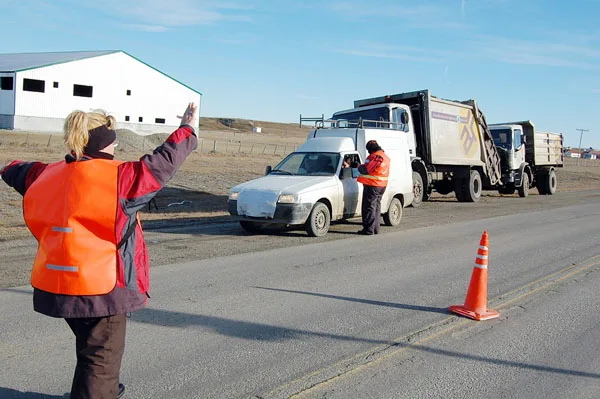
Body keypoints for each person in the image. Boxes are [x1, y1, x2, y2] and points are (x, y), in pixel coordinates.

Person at [0, 102, 199, 398]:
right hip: (100, 290)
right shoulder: (119, 178)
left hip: (57, 285)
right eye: (114, 142)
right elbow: (162, 163)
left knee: (92, 355)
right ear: (103, 144)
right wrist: (187, 129)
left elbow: (12, 169)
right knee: (100, 362)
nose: (117, 148)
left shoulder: (44, 174)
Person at [356, 140, 390, 235]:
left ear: (370, 148)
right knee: (376, 207)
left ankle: (369, 230)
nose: (368, 152)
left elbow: (366, 170)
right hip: (381, 185)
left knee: (369, 208)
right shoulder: (384, 156)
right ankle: (375, 229)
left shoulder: (375, 156)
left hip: (373, 185)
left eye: (368, 150)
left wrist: (358, 166)